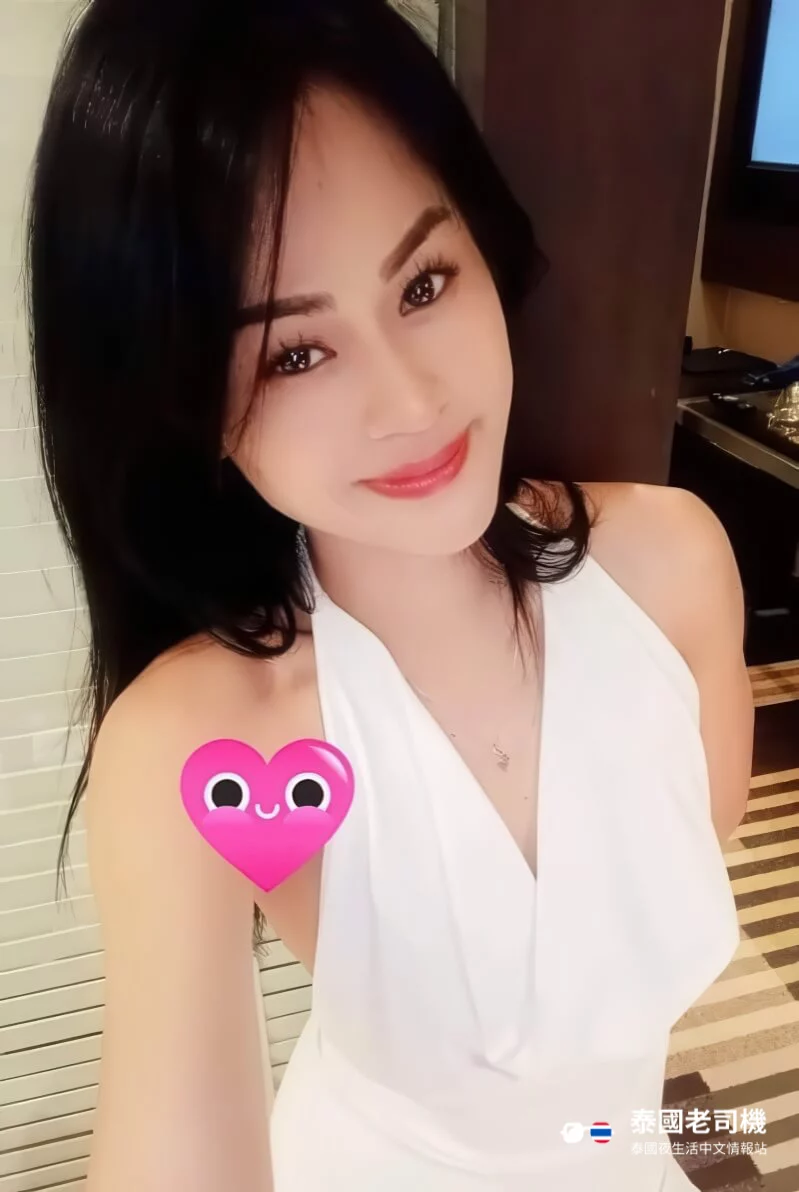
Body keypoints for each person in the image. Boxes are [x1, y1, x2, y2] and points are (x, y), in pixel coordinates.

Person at [26, 0, 754, 1188]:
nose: (413, 400)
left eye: (422, 283)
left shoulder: (674, 568)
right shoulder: (208, 743)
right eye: (294, 352)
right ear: (186, 402)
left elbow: (620, 1041)